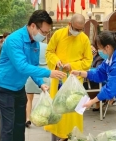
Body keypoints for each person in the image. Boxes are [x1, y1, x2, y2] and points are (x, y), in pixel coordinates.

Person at [0, 10, 66, 141]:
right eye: (43, 32)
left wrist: (40, 83)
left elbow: (33, 66)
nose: (44, 35)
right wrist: (49, 73)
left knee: (20, 124)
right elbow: (22, 66)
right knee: (8, 127)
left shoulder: (35, 43)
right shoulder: (14, 40)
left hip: (19, 88)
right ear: (33, 26)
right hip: (4, 87)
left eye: (47, 33)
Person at [45, 13, 93, 141]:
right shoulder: (58, 34)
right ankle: (56, 137)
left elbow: (88, 61)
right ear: (69, 24)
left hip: (75, 81)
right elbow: (49, 51)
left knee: (74, 113)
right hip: (59, 78)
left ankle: (74, 137)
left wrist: (72, 65)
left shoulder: (84, 39)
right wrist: (56, 61)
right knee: (58, 110)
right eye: (76, 29)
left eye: (80, 29)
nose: (78, 32)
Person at [25, 41, 50, 127]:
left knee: (29, 99)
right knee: (46, 98)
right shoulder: (47, 46)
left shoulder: (30, 47)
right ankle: (45, 118)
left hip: (32, 72)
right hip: (45, 73)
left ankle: (28, 119)